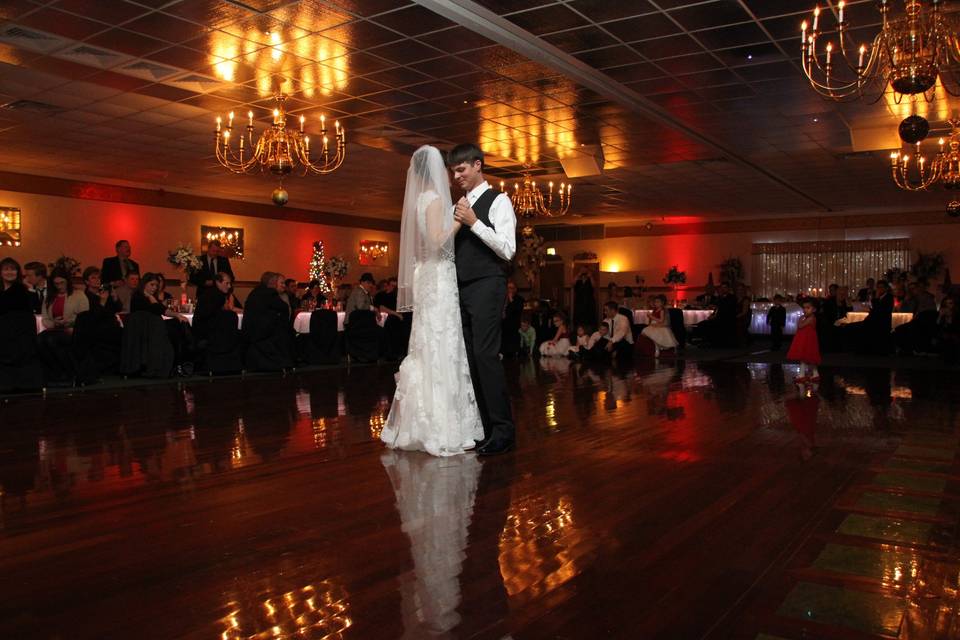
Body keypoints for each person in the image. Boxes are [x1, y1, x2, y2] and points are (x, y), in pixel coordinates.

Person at [380, 145, 484, 457]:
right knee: (442, 344)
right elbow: (439, 241)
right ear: (435, 170)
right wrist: (460, 219)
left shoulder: (418, 202)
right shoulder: (437, 200)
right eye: (445, 168)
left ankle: (420, 422)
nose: (449, 173)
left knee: (426, 344)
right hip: (438, 278)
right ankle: (443, 426)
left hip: (426, 275)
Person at [449, 142, 518, 456]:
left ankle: (503, 430)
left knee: (486, 356)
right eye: (453, 172)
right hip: (460, 289)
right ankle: (486, 429)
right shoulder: (459, 204)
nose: (457, 176)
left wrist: (474, 222)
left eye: (461, 169)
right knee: (470, 359)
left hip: (488, 285)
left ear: (478, 165)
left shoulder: (498, 201)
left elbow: (507, 248)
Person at [787, 298, 821, 383]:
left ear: (814, 309)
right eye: (804, 308)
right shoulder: (808, 317)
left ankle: (802, 375)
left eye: (808, 308)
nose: (805, 310)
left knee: (805, 358)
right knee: (808, 358)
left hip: (808, 340)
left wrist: (800, 319)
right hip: (805, 339)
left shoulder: (811, 318)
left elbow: (800, 326)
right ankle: (815, 374)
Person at [500, 279, 524, 357]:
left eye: (512, 288)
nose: (510, 290)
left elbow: (516, 310)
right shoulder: (502, 298)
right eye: (508, 288)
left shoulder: (519, 299)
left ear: (515, 289)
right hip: (502, 323)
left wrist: (511, 300)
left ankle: (512, 352)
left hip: (513, 323)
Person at [573, 267, 597, 332]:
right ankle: (579, 332)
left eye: (585, 271)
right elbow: (573, 283)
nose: (584, 272)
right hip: (579, 302)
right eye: (582, 270)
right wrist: (579, 274)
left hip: (589, 302)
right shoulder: (578, 280)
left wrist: (591, 276)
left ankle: (589, 332)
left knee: (589, 318)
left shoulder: (590, 280)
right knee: (579, 318)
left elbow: (594, 286)